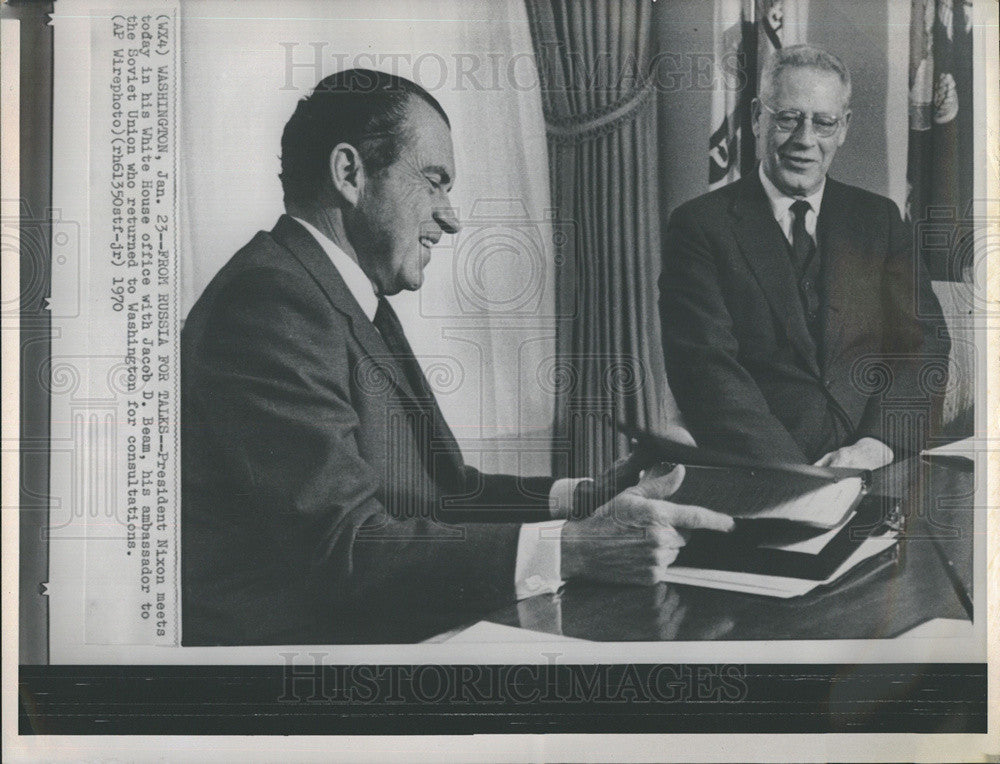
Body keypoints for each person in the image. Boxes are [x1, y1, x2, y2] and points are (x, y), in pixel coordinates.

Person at [181, 69, 734, 645]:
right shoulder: (269, 303)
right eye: (434, 181)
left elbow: (447, 491)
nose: (451, 217)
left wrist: (587, 497)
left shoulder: (335, 291)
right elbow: (344, 548)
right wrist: (570, 548)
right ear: (350, 174)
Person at [659, 45, 950, 469]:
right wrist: (795, 477)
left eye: (823, 122)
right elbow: (706, 369)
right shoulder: (699, 226)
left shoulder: (880, 220)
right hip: (760, 471)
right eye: (788, 118)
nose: (805, 140)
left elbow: (923, 344)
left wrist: (875, 446)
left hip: (875, 465)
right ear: (758, 117)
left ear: (844, 127)